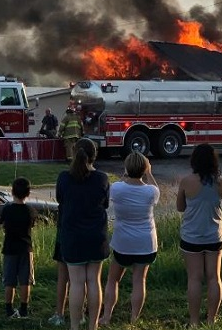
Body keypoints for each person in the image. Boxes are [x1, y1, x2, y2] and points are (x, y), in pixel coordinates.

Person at [99, 151, 160, 325]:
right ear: (144, 168)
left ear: (126, 168)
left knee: (113, 279)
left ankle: (107, 316)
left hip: (123, 243)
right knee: (139, 280)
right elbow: (156, 191)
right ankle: (134, 319)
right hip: (146, 243)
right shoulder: (150, 192)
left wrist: (127, 172)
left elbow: (115, 189)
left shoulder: (117, 188)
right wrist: (149, 173)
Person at [55, 138, 109, 330]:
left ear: (74, 153)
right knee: (94, 281)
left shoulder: (63, 178)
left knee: (77, 283)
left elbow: (61, 200)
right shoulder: (102, 178)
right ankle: (93, 326)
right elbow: (105, 204)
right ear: (94, 156)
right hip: (96, 236)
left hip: (72, 237)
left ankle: (75, 326)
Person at [177, 144, 222, 327]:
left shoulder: (186, 181)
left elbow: (180, 208)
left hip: (191, 236)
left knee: (194, 278)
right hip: (215, 235)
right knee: (214, 278)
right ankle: (211, 319)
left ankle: (193, 321)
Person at [0, 177, 37, 319]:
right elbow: (32, 225)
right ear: (28, 193)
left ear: (12, 192)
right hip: (26, 248)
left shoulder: (7, 209)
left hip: (9, 248)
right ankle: (24, 309)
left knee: (10, 280)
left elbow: (0, 224)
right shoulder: (30, 210)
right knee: (25, 280)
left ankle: (9, 309)